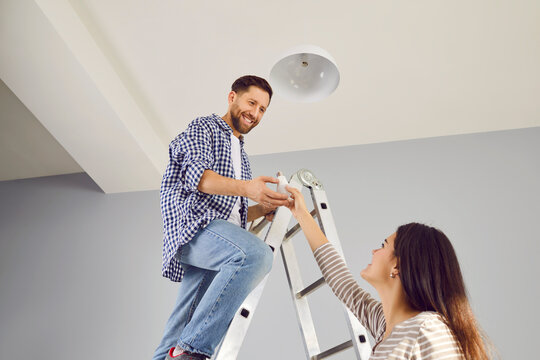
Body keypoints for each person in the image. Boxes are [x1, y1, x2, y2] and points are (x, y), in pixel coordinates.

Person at [152, 75, 289, 360]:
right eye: (252, 102)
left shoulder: (242, 154)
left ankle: (178, 350)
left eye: (262, 109)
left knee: (176, 332)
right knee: (256, 255)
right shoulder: (205, 128)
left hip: (217, 240)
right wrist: (249, 188)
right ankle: (192, 351)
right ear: (232, 97)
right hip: (195, 228)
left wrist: (259, 209)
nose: (255, 113)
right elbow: (198, 179)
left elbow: (230, 214)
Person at [285, 186, 491, 360]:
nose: (374, 251)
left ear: (397, 267)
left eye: (383, 245)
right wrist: (302, 214)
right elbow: (342, 283)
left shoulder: (428, 329)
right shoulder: (388, 327)